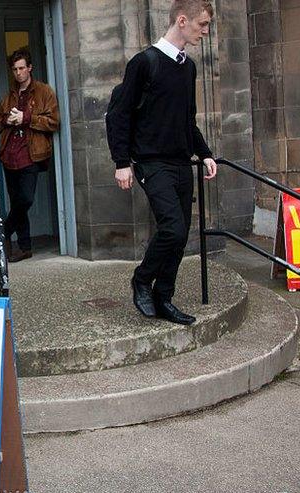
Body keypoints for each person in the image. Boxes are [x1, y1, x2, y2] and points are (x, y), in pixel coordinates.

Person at [106, 0, 218, 325]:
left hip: (181, 162)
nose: (205, 32)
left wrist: (206, 153)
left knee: (181, 235)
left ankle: (163, 297)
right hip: (151, 162)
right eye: (202, 24)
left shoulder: (189, 67)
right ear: (182, 21)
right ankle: (142, 279)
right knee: (172, 228)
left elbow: (188, 120)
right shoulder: (144, 63)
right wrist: (121, 161)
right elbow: (119, 114)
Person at [0, 47, 59, 263]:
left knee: (26, 199)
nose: (18, 73)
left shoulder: (44, 91)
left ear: (30, 68)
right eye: (14, 69)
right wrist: (7, 120)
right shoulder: (10, 95)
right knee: (16, 201)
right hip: (9, 155)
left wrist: (26, 117)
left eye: (22, 68)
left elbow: (53, 122)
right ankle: (24, 247)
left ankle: (4, 230)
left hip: (31, 154)